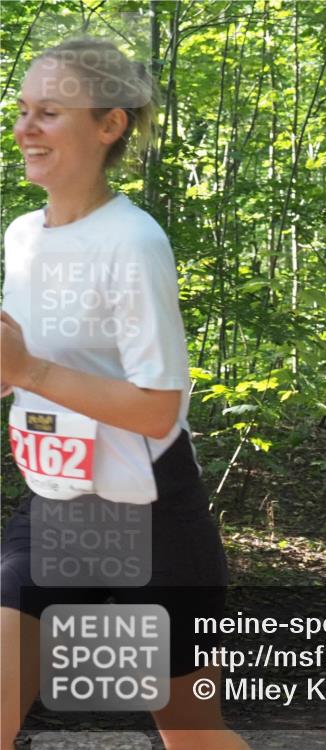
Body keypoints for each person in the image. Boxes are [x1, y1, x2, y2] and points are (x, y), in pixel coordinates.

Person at [0, 38, 248, 750]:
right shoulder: (22, 237)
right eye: (22, 111)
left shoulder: (133, 241)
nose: (24, 129)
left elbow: (156, 407)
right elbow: (23, 364)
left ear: (109, 125)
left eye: (48, 112)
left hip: (151, 513)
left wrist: (33, 372)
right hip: (55, 504)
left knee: (193, 735)